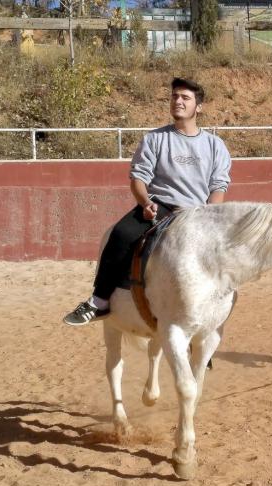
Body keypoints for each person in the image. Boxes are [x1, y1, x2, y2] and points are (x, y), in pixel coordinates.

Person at [64, 77, 231, 326]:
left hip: (197, 212)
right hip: (159, 207)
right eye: (175, 96)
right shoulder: (155, 139)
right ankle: (99, 301)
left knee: (229, 254)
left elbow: (218, 185)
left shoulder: (215, 145)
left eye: (185, 97)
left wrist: (208, 215)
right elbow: (138, 179)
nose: (178, 101)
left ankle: (211, 324)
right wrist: (145, 203)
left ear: (199, 107)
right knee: (120, 234)